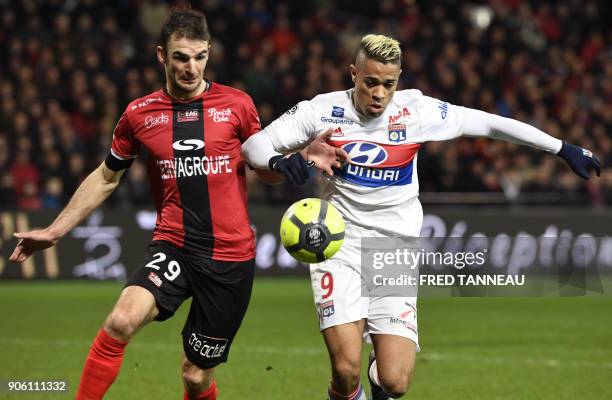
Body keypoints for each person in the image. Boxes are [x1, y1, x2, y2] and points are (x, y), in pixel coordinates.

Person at [241, 34, 601, 400]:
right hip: (339, 246)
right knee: (346, 372)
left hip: (392, 250)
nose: (379, 93)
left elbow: (488, 123)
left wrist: (561, 147)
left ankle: (376, 377)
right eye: (370, 82)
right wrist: (284, 161)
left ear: (399, 79)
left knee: (395, 382)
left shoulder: (415, 111)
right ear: (353, 74)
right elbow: (253, 145)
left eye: (388, 84)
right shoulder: (322, 111)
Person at [9, 8, 340, 400]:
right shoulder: (139, 114)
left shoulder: (237, 105)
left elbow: (260, 165)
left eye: (199, 56)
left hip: (229, 260)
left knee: (195, 376)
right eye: (181, 57)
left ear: (209, 53)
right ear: (161, 55)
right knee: (120, 321)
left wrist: (292, 160)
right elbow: (105, 176)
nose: (191, 67)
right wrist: (53, 231)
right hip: (175, 245)